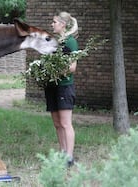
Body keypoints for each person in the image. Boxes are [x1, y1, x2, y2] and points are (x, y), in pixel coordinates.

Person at [45, 11, 79, 167]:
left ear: (62, 24)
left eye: (54, 22)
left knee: (65, 123)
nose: (52, 24)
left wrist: (55, 73)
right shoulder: (57, 41)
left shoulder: (71, 42)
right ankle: (62, 153)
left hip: (64, 87)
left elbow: (72, 67)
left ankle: (69, 157)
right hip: (52, 86)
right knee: (57, 123)